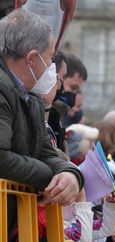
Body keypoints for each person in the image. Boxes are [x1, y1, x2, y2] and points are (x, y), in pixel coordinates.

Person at [0, 9, 83, 210]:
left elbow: (47, 152)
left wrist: (70, 175)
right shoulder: (4, 90)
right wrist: (51, 176)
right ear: (32, 58)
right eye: (50, 57)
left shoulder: (31, 100)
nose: (50, 67)